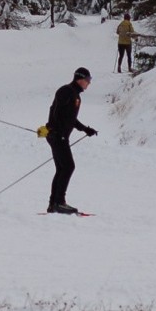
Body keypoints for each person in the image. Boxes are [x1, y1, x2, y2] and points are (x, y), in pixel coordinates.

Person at [45, 67, 98, 214]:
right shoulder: (67, 91)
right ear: (80, 79)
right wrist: (54, 131)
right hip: (57, 136)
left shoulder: (75, 95)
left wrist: (86, 129)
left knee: (62, 168)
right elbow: (54, 111)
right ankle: (59, 202)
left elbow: (70, 119)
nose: (89, 83)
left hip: (59, 136)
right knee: (68, 167)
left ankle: (53, 204)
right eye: (88, 80)